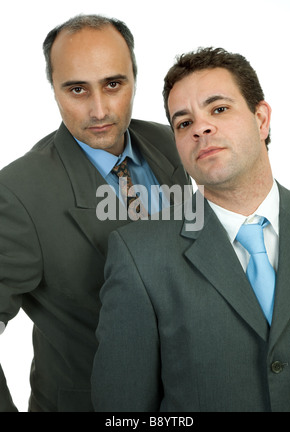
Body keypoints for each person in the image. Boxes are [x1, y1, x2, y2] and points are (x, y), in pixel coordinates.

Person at [91, 47, 290, 412]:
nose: (201, 128)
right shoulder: (139, 255)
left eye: (219, 109)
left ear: (261, 119)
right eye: (184, 123)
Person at [0, 14, 190, 412]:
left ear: (135, 78)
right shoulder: (17, 193)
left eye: (113, 84)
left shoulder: (173, 143)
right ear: (53, 89)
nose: (99, 109)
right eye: (76, 89)